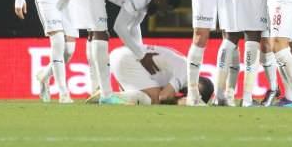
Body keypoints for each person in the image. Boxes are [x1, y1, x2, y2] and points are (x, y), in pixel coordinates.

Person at [58, 0, 182, 104]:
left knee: (96, 34)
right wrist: (141, 55)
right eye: (165, 9)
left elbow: (134, 27)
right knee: (100, 34)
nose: (162, 13)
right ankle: (106, 95)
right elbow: (120, 27)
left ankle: (96, 89)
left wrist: (139, 56)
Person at [86, 44, 214, 106]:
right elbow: (163, 96)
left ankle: (109, 95)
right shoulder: (186, 72)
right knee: (154, 99)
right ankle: (106, 95)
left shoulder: (186, 66)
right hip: (128, 61)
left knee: (142, 99)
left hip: (123, 55)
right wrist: (178, 102)